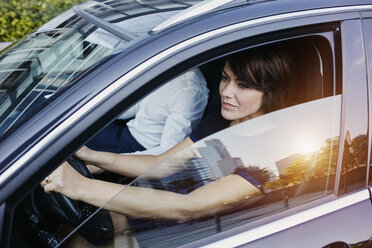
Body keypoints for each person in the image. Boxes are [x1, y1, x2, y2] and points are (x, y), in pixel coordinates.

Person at [41, 44, 293, 231]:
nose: (226, 91)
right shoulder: (222, 121)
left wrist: (82, 186)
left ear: (270, 91)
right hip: (166, 202)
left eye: (243, 85)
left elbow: (188, 207)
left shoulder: (269, 150)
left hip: (204, 227)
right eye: (226, 78)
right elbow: (159, 164)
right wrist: (91, 156)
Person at [86, 68, 209, 155]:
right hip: (127, 132)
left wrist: (113, 161)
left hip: (140, 149)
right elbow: (139, 107)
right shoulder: (165, 69)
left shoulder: (189, 91)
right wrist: (99, 113)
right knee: (82, 126)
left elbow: (168, 151)